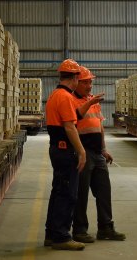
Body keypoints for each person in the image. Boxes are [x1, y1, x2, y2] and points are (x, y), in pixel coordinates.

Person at [71, 66, 126, 243]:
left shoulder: (92, 100)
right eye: (85, 82)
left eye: (90, 82)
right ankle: (79, 230)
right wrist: (80, 153)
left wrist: (103, 149)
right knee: (81, 193)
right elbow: (73, 124)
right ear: (76, 82)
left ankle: (105, 228)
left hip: (97, 153)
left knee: (104, 191)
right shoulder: (72, 100)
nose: (89, 85)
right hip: (83, 153)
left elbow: (99, 126)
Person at [44, 59, 88, 250]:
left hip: (57, 148)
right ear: (76, 77)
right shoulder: (65, 97)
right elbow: (70, 127)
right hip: (65, 150)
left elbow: (75, 116)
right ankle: (61, 237)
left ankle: (52, 234)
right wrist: (81, 151)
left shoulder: (56, 94)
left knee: (58, 192)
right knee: (68, 194)